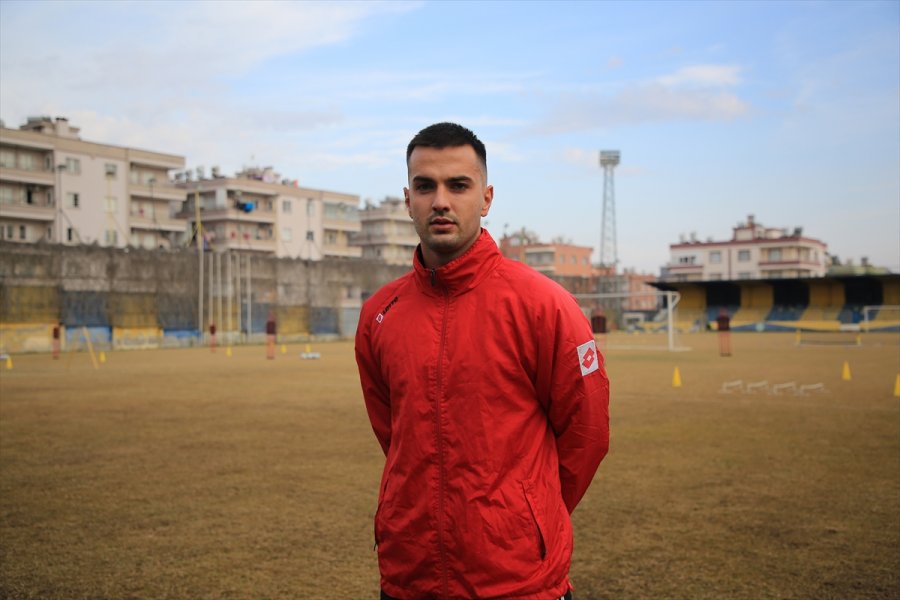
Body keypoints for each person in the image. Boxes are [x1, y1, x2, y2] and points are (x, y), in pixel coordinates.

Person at [355, 122, 610, 599]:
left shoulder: (545, 305)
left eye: (458, 185)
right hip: (410, 575)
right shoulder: (379, 314)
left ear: (487, 198)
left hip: (517, 581)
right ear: (407, 198)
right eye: (425, 186)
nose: (441, 201)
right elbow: (394, 433)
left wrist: (526, 514)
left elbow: (587, 435)